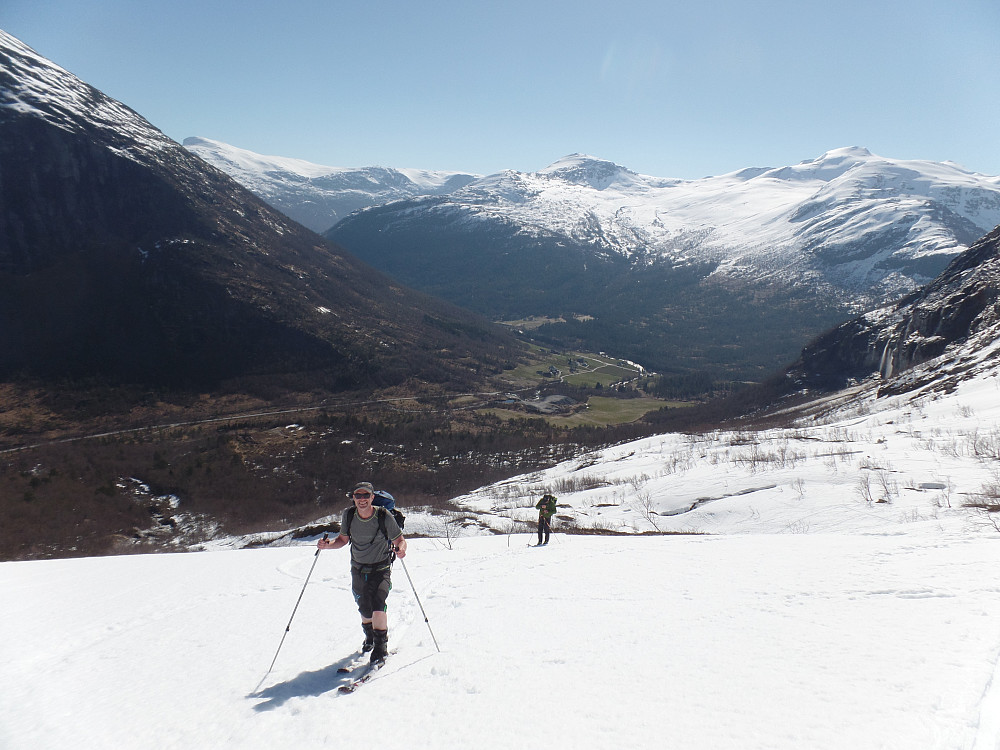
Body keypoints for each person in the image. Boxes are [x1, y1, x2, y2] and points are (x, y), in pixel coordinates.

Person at [318, 481, 407, 664]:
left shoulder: (383, 515)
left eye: (366, 495)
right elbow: (342, 540)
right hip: (358, 568)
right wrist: (327, 546)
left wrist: (401, 549)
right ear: (353, 498)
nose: (362, 499)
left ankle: (381, 649)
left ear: (372, 497)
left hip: (381, 568)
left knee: (378, 605)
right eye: (358, 496)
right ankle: (370, 638)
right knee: (364, 608)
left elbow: (399, 539)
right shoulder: (349, 515)